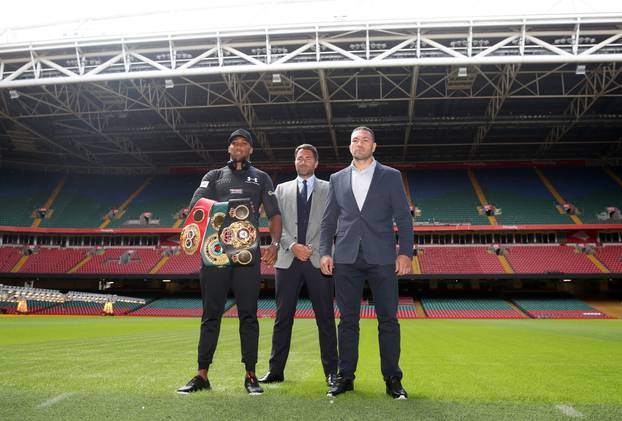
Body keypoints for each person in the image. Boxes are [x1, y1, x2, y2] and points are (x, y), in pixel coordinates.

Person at [177, 128, 282, 396]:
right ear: (229, 149)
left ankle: (250, 374)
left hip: (247, 254)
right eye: (234, 143)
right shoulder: (214, 176)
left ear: (250, 150)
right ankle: (202, 374)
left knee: (248, 314)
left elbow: (274, 214)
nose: (238, 146)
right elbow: (195, 207)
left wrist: (276, 244)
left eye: (243, 143)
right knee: (210, 314)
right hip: (215, 254)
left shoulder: (261, 178)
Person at [319, 126, 413, 400]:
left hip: (382, 256)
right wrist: (326, 251)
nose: (359, 144)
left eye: (365, 140)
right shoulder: (336, 179)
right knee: (347, 321)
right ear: (350, 146)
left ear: (374, 146)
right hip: (346, 257)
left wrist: (405, 252)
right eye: (355, 140)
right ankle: (345, 377)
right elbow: (328, 220)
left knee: (388, 320)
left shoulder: (391, 176)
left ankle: (392, 378)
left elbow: (404, 219)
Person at [258, 144, 338, 387]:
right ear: (295, 162)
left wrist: (313, 248)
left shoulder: (330, 188)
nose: (302, 161)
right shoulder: (280, 189)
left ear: (315, 163)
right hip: (287, 259)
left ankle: (332, 372)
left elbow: (333, 221)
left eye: (307, 158)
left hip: (319, 259)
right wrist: (293, 246)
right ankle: (275, 370)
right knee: (283, 317)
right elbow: (275, 224)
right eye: (299, 158)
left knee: (325, 318)